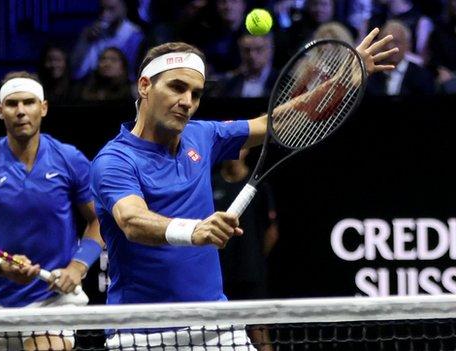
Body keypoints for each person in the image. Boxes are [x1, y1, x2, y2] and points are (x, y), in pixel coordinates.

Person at [90, 29, 397, 350]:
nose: (187, 102)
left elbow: (275, 123)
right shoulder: (115, 160)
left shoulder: (201, 136)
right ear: (145, 86)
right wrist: (194, 231)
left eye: (195, 94)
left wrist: (343, 80)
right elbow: (132, 221)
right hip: (144, 334)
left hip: (217, 325)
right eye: (177, 88)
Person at [0, 71, 104, 351]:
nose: (21, 111)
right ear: (0, 111)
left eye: (29, 102)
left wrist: (77, 268)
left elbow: (97, 221)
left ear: (43, 108)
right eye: (12, 104)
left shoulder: (69, 159)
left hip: (54, 298)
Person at [213, 149, 279, 351]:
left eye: (238, 147)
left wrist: (255, 258)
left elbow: (272, 232)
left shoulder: (258, 186)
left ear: (246, 151)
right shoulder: (211, 184)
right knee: (216, 335)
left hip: (251, 275)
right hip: (219, 275)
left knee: (259, 333)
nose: (233, 152)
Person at [71, 0, 144, 81]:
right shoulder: (95, 32)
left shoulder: (135, 35)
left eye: (111, 9)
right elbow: (78, 71)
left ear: (125, 8)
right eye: (102, 9)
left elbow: (132, 72)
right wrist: (85, 41)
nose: (104, 14)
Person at [366, 20, 435, 96]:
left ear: (408, 45)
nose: (390, 47)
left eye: (396, 42)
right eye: (386, 42)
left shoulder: (422, 77)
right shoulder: (369, 74)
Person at [213, 33, 278, 98]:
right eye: (247, 50)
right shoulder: (229, 84)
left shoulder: (280, 82)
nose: (252, 56)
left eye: (258, 49)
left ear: (270, 50)